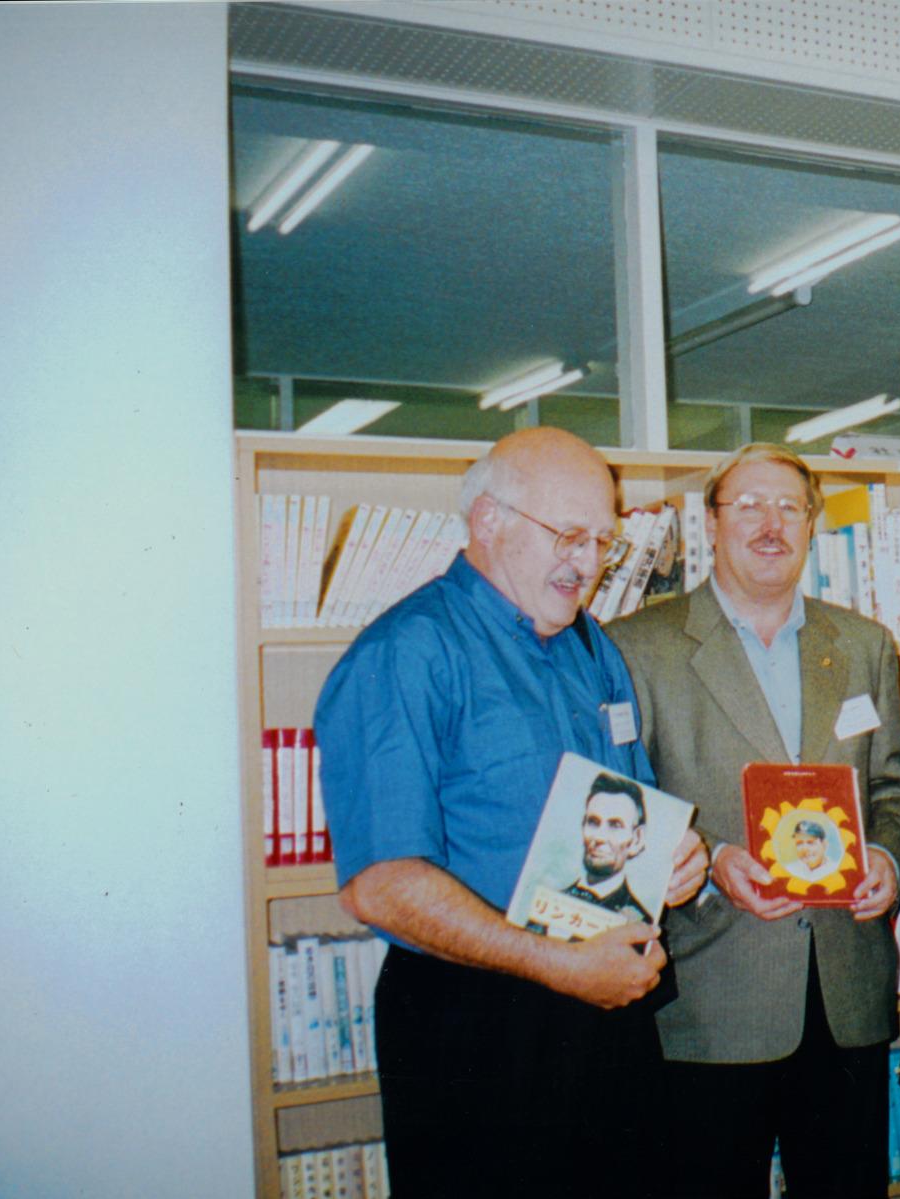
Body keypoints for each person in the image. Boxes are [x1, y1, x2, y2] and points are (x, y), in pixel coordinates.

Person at [315, 427, 708, 1197]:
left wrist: (670, 860)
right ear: (487, 520)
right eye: (568, 535)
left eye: (603, 541)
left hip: (605, 1009)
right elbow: (381, 883)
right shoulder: (407, 652)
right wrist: (560, 965)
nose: (589, 563)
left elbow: (620, 813)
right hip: (477, 1024)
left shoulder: (591, 646)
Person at [606, 443, 900, 1199]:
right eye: (747, 504)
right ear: (711, 523)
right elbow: (618, 806)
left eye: (789, 506)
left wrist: (886, 857)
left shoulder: (865, 645)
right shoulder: (636, 646)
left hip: (846, 995)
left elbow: (894, 788)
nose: (770, 522)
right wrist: (708, 860)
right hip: (711, 996)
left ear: (813, 524)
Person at [567, 773, 653, 924]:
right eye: (593, 822)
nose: (599, 838)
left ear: (637, 839)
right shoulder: (549, 899)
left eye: (615, 825)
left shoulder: (639, 923)